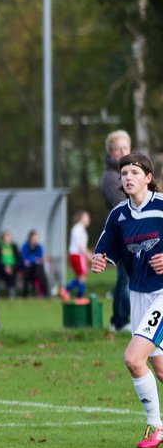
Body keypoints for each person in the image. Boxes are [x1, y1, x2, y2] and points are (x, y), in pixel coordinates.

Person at [91, 152, 163, 448]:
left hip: (162, 294)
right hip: (138, 296)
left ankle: (155, 428)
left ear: (148, 177)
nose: (128, 177)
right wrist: (98, 259)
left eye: (135, 172)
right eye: (124, 173)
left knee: (133, 359)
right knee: (158, 369)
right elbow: (105, 250)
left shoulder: (161, 207)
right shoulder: (118, 215)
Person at [102, 130, 134, 330]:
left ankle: (120, 319)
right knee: (125, 278)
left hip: (133, 232)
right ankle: (121, 320)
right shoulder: (111, 177)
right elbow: (124, 204)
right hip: (123, 233)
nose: (121, 152)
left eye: (124, 147)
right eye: (116, 149)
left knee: (126, 277)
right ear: (110, 152)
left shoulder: (130, 172)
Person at [62, 211, 91, 301]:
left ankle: (65, 290)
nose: (89, 219)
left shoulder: (79, 228)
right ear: (81, 218)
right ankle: (79, 298)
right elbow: (80, 246)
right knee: (82, 277)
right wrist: (89, 256)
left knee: (79, 277)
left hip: (76, 255)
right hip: (78, 255)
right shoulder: (79, 229)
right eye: (87, 217)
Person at [0, 230, 20, 299]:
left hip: (12, 269)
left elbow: (18, 260)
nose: (7, 241)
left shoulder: (14, 247)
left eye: (9, 239)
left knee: (12, 275)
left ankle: (12, 293)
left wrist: (12, 268)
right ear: (3, 239)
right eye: (6, 239)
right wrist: (4, 267)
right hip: (1, 268)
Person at [19, 230, 50, 298]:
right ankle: (25, 294)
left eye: (36, 239)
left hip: (36, 268)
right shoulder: (25, 246)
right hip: (27, 269)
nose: (35, 240)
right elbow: (23, 257)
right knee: (27, 272)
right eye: (34, 239)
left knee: (39, 271)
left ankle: (46, 293)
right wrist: (32, 260)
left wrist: (30, 260)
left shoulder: (39, 247)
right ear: (30, 238)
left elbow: (39, 258)